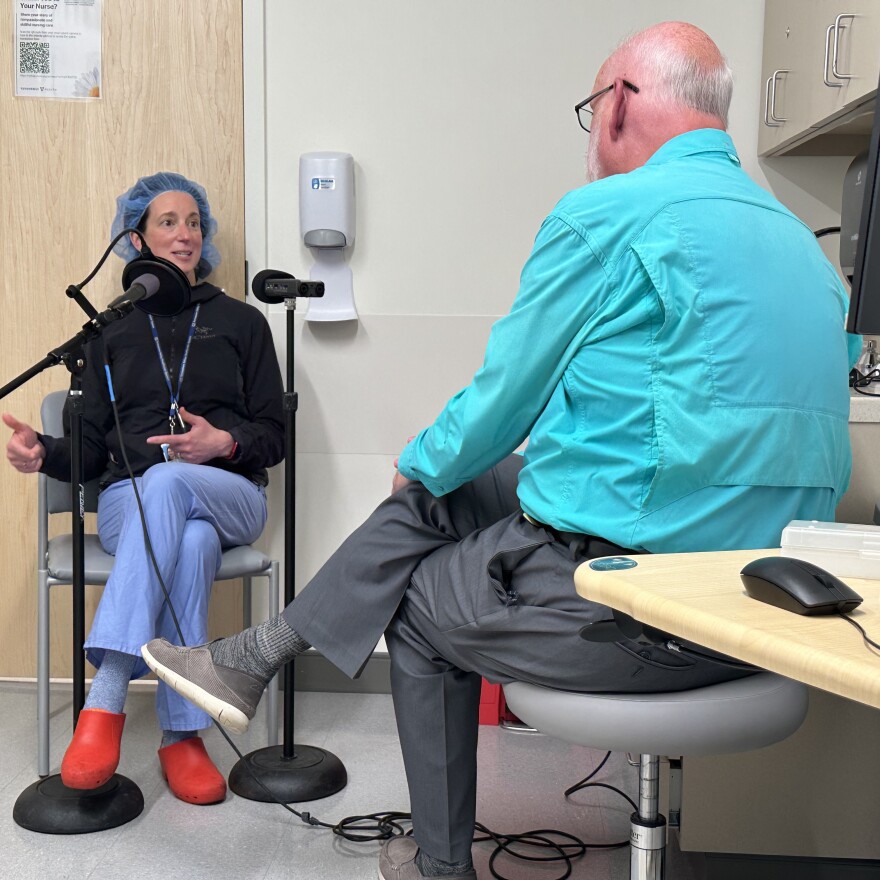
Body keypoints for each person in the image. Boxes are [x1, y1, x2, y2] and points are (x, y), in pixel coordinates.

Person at [142, 21, 857, 877]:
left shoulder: (608, 215)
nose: (594, 135)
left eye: (593, 112)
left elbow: (504, 395)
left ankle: (437, 864)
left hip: (645, 609)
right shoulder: (812, 255)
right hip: (764, 601)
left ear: (620, 104)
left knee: (417, 588)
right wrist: (449, 469)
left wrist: (422, 457)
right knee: (458, 490)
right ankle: (254, 658)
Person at [3, 172, 284, 805]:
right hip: (133, 504)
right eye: (168, 222)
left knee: (172, 484)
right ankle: (183, 736)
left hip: (231, 492)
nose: (186, 234)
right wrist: (41, 451)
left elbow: (274, 435)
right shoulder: (110, 333)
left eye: (194, 223)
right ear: (136, 237)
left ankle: (104, 704)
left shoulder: (243, 324)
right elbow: (91, 448)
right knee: (185, 539)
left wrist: (223, 444)